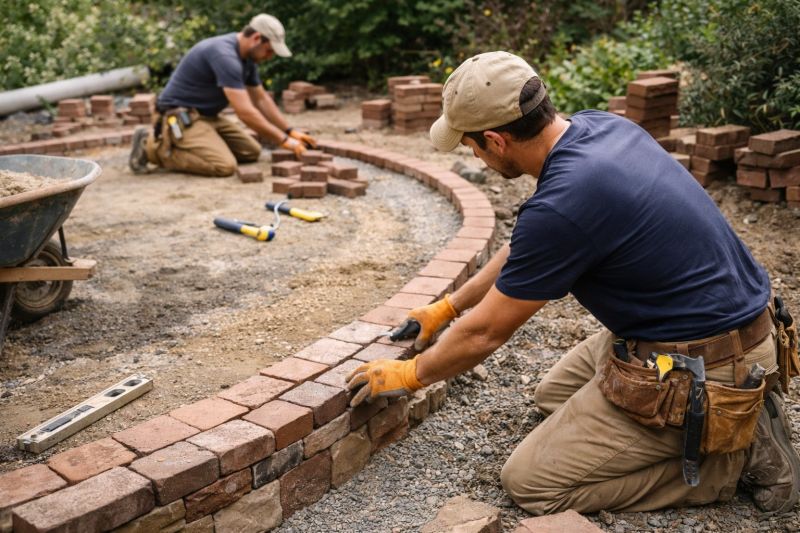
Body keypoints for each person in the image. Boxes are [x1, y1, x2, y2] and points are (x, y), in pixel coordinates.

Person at [347, 51, 800, 515]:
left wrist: (411, 374)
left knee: (530, 483)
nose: (476, 158)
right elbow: (528, 248)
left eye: (471, 147)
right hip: (715, 322)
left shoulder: (564, 204)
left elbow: (487, 333)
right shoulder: (601, 127)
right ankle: (723, 415)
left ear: (496, 141)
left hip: (704, 362)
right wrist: (447, 308)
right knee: (551, 396)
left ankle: (727, 459)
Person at [128, 13, 316, 177]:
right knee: (223, 166)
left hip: (207, 117)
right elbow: (246, 112)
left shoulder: (248, 60)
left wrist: (289, 130)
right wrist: (285, 141)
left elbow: (261, 99)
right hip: (179, 116)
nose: (270, 56)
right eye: (269, 50)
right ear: (257, 38)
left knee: (250, 152)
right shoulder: (224, 56)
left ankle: (199, 142)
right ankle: (150, 146)